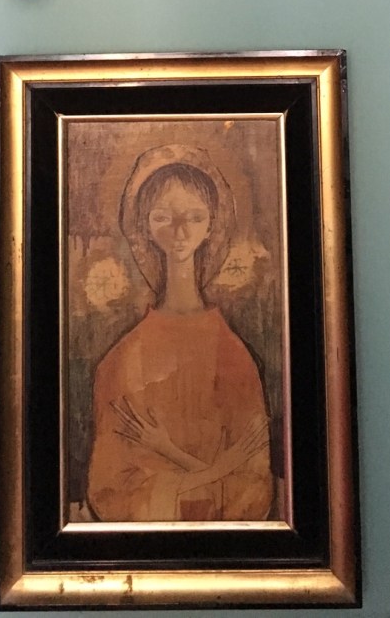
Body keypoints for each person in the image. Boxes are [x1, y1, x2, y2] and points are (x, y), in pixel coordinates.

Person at [85, 145, 274, 523]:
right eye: (163, 217)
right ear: (144, 226)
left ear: (211, 226)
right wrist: (215, 472)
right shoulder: (122, 360)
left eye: (194, 217)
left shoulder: (234, 357)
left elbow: (253, 492)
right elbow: (110, 494)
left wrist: (168, 457)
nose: (180, 232)